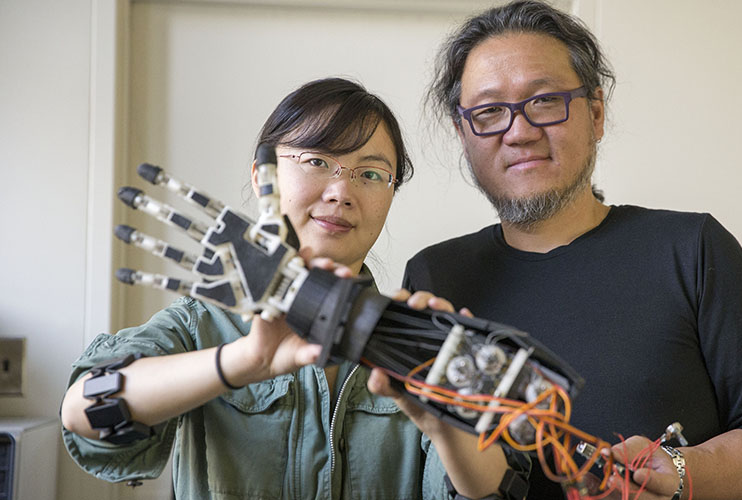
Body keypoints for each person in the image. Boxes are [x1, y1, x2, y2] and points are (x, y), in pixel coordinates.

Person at [403, 1, 742, 499]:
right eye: (489, 112)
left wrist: (684, 473)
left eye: (544, 101)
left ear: (596, 114)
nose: (519, 131)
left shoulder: (693, 251)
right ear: (463, 134)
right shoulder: (435, 278)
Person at [60, 77, 515, 500]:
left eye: (371, 174)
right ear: (263, 176)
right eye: (317, 161)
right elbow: (83, 412)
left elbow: (494, 490)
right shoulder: (200, 324)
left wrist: (445, 422)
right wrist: (243, 361)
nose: (341, 191)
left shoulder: (414, 340)